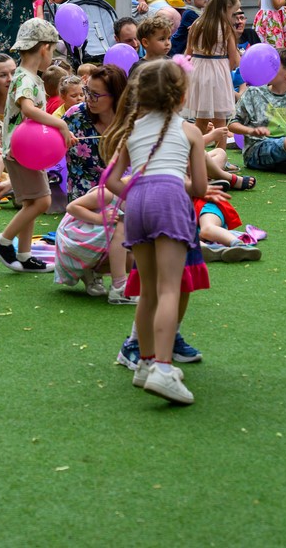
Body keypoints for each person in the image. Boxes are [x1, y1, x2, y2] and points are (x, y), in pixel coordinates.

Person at [98, 59, 217, 405]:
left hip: (137, 203)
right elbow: (200, 188)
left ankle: (146, 363)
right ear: (180, 96)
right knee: (169, 289)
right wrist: (174, 184)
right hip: (170, 202)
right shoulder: (190, 131)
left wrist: (139, 193)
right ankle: (164, 369)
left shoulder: (131, 130)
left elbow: (111, 180)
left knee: (148, 291)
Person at [0, 18, 72, 273]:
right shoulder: (25, 78)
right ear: (44, 48)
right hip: (21, 149)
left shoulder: (30, 77)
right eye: (53, 50)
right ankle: (3, 241)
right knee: (42, 201)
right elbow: (28, 110)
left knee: (32, 202)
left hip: (29, 150)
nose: (52, 56)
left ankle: (24, 255)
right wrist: (61, 125)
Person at [184, 0, 241, 133]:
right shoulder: (226, 28)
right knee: (220, 121)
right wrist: (225, 72)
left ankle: (196, 146)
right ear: (227, 8)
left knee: (201, 120)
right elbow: (235, 59)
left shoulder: (196, 24)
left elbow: (187, 54)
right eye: (233, 13)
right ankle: (220, 148)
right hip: (218, 74)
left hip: (198, 74)